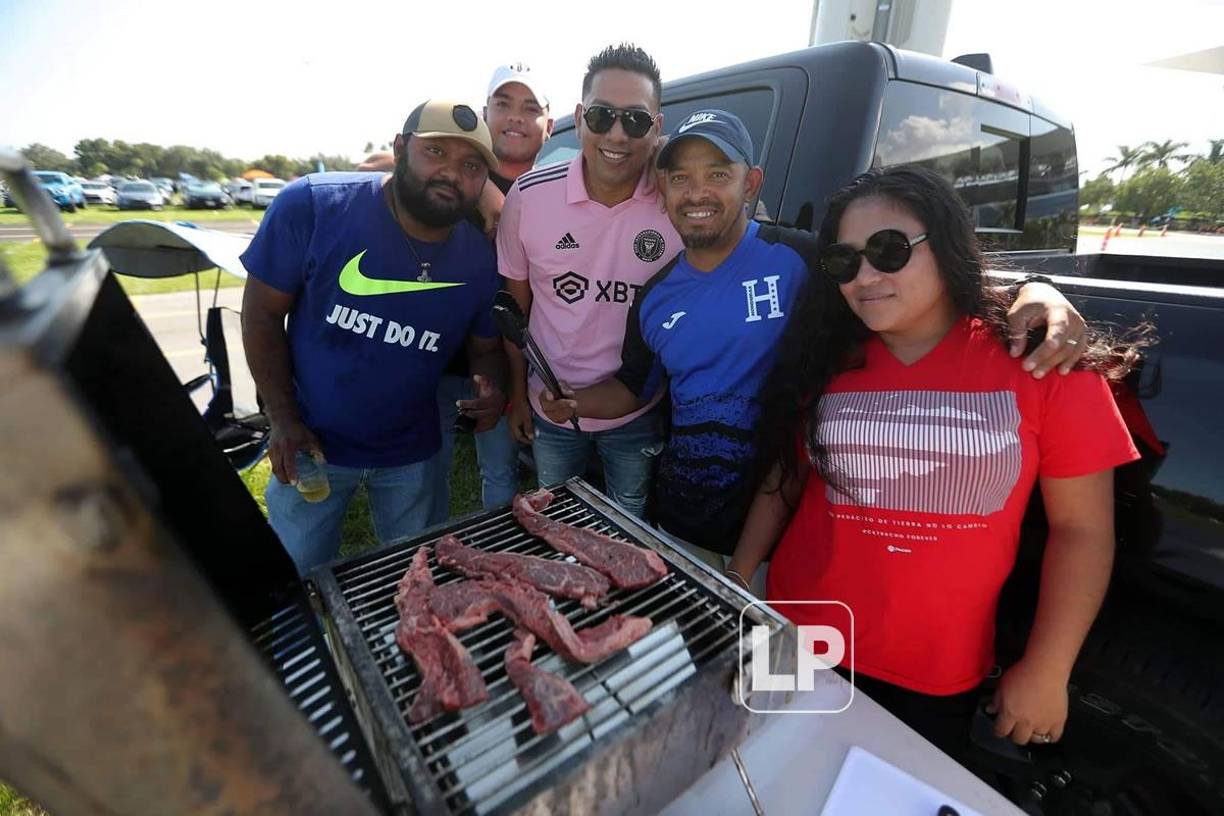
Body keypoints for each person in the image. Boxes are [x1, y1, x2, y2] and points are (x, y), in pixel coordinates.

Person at [539, 112, 1093, 591]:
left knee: (766, 670)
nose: (697, 191)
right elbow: (634, 387)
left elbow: (912, 283)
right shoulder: (655, 295)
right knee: (692, 659)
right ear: (662, 190)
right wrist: (576, 403)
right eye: (680, 177)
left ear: (751, 182)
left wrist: (1037, 289)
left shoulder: (805, 260)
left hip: (787, 536)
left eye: (718, 174)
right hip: (680, 523)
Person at [729, 165, 1142, 757]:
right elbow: (787, 479)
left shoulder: (1044, 365)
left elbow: (1082, 531)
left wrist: (1048, 669)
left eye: (888, 250)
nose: (864, 276)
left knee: (885, 792)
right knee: (764, 769)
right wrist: (739, 583)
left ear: (944, 244)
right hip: (793, 630)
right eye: (844, 261)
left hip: (933, 669)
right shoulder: (829, 359)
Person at [241, 99, 508, 575]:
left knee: (413, 580)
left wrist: (491, 387)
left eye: (471, 166)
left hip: (413, 455)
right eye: (436, 152)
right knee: (296, 577)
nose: (452, 173)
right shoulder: (314, 206)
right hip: (310, 444)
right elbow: (261, 315)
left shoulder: (481, 261)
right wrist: (282, 418)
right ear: (400, 148)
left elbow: (485, 349)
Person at [497, 43, 677, 518]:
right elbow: (515, 313)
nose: (616, 134)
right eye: (601, 116)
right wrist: (518, 395)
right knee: (556, 517)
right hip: (551, 404)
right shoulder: (529, 197)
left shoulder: (676, 202)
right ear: (579, 119)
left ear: (656, 128)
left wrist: (675, 167)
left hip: (637, 408)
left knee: (630, 521)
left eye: (636, 120)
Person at [430, 63, 556, 519]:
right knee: (436, 477)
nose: (516, 116)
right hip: (446, 362)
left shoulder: (558, 191)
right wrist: (483, 184)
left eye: (530, 107)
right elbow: (397, 166)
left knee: (521, 476)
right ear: (485, 114)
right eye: (503, 104)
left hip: (524, 363)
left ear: (550, 124)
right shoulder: (458, 181)